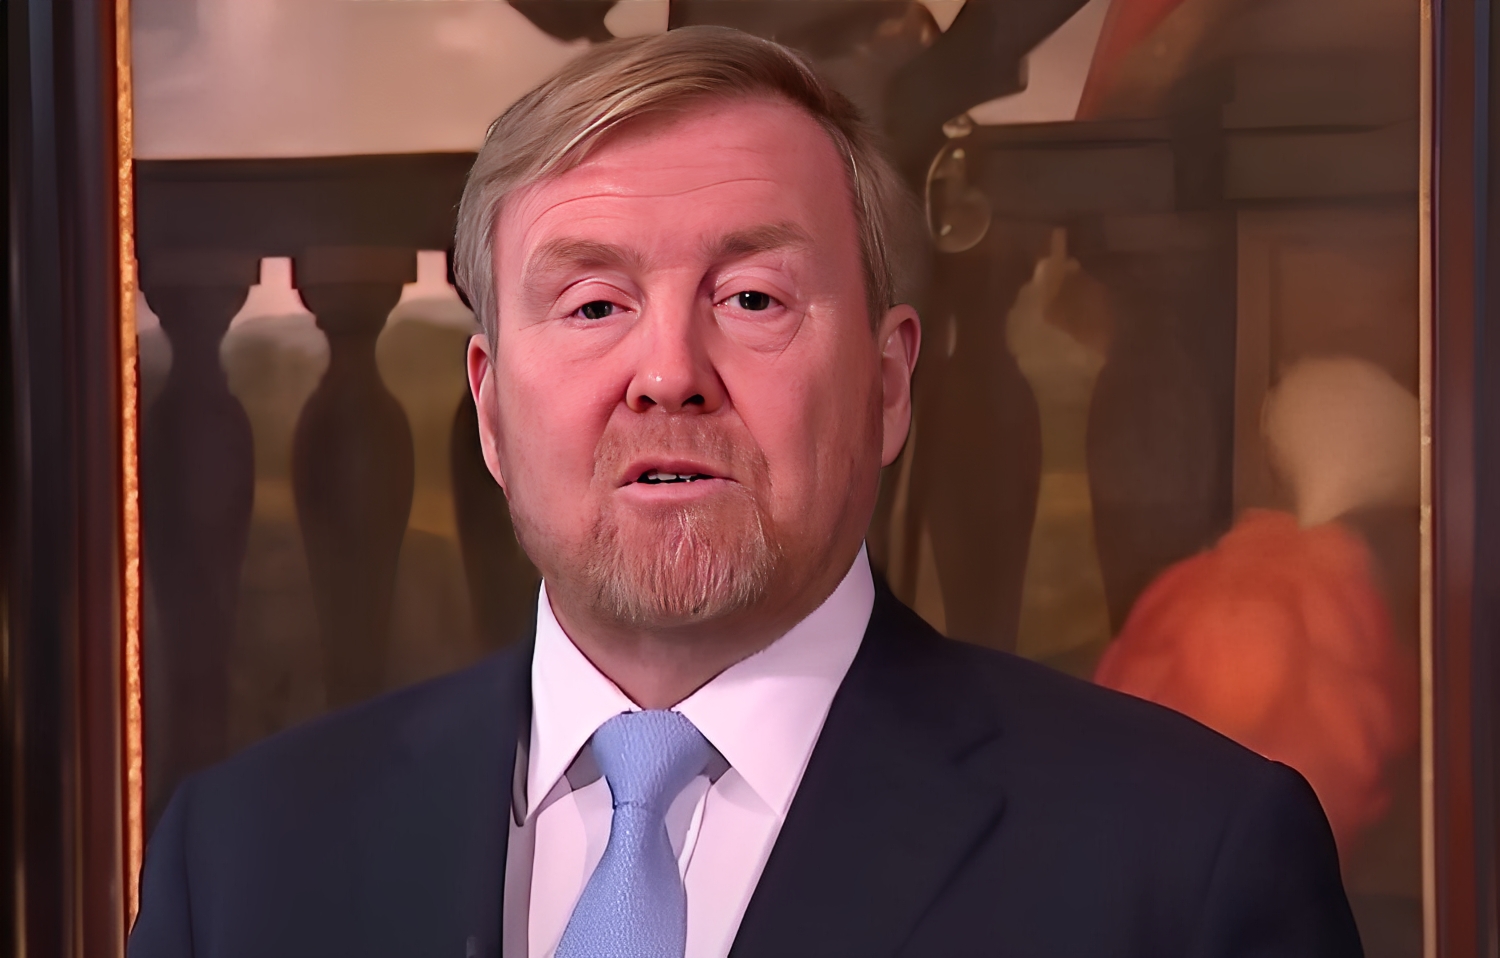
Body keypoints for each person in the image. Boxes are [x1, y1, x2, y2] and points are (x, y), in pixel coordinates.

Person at [128, 26, 1363, 958]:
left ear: (888, 383)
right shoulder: (240, 863)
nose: (668, 372)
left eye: (753, 298)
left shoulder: (1187, 866)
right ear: (492, 409)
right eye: (595, 304)